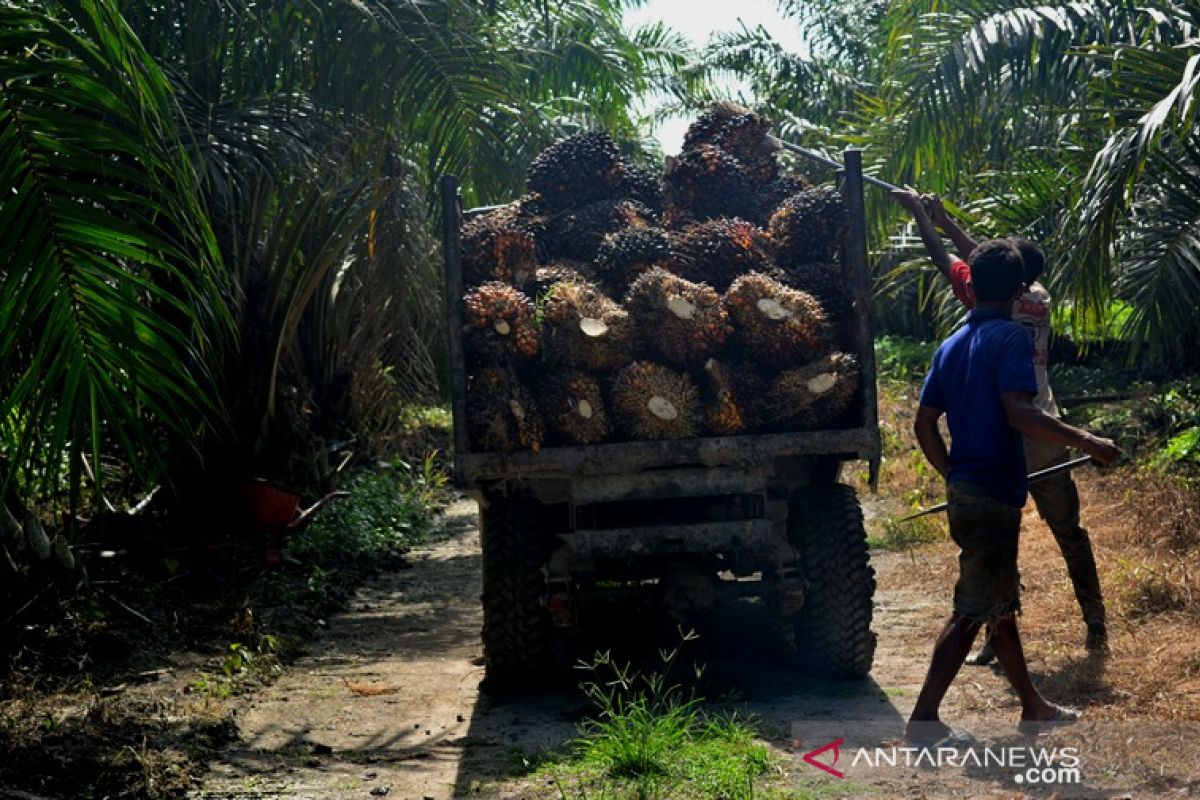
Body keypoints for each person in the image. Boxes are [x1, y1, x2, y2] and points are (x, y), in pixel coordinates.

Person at [903, 238, 1119, 744]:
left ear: (971, 286)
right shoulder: (1011, 339)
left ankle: (1033, 705)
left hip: (968, 491)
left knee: (999, 606)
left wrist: (952, 475)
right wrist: (1088, 440)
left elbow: (924, 424)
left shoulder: (951, 344)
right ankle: (924, 721)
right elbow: (1020, 413)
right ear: (1021, 291)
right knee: (972, 609)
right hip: (994, 492)